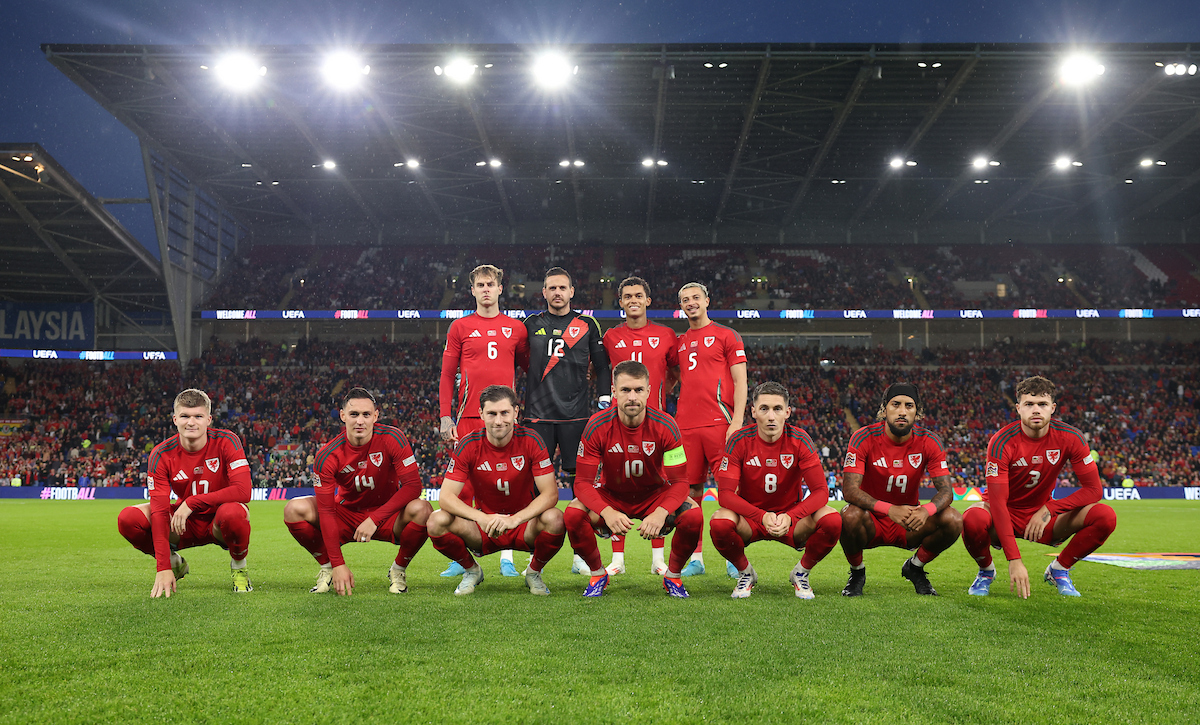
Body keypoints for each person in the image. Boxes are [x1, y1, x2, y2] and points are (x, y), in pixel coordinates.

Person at [962, 375, 1115, 598]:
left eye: (1042, 404)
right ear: (1018, 408)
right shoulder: (1001, 441)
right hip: (1002, 514)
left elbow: (1094, 490)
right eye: (1029, 404)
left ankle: (1059, 569)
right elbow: (997, 502)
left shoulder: (1071, 437)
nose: (1036, 410)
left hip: (1041, 517)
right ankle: (986, 571)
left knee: (1105, 516)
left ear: (1053, 408)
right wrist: (1014, 559)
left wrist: (1050, 509)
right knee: (972, 518)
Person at [563, 360, 702, 598]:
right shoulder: (596, 426)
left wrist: (661, 512)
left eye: (638, 390)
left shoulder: (667, 426)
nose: (632, 397)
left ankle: (673, 577)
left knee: (693, 515)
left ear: (648, 391)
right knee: (573, 514)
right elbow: (582, 483)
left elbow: (680, 483)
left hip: (654, 496)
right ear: (614, 392)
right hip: (612, 496)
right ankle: (598, 574)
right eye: (625, 390)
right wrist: (607, 512)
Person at [283, 387, 431, 596]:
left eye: (366, 414)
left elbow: (413, 486)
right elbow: (326, 511)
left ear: (375, 416)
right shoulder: (327, 455)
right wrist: (338, 563)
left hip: (387, 516)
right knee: (293, 509)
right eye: (354, 414)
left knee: (423, 509)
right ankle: (328, 567)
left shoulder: (393, 437)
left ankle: (398, 570)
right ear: (343, 416)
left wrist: (375, 519)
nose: (360, 421)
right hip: (346, 515)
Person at [427, 385, 565, 596]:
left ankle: (534, 572)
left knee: (555, 518)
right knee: (436, 521)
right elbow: (445, 497)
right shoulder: (469, 444)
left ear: (516, 412)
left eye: (504, 413)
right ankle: (472, 570)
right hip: (484, 527)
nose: (498, 421)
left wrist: (515, 519)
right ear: (481, 414)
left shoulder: (532, 440)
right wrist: (481, 518)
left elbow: (550, 494)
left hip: (523, 525)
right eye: (491, 414)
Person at [711, 382, 842, 599]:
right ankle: (745, 573)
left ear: (787, 412)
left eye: (777, 409)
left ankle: (801, 573)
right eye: (764, 409)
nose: (771, 416)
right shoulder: (739, 440)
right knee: (719, 522)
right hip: (751, 520)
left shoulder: (800, 440)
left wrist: (791, 517)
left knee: (832, 519)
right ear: (753, 412)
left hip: (791, 520)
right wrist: (761, 516)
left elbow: (820, 491)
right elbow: (725, 494)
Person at [438, 263, 529, 578]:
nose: (486, 289)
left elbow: (532, 369)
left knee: (508, 486)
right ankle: (462, 558)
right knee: (463, 490)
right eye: (481, 285)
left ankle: (507, 556)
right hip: (468, 417)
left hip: (504, 419)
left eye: (491, 284)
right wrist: (445, 415)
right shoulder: (460, 327)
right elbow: (447, 375)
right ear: (473, 290)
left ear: (500, 289)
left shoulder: (517, 328)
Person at [117, 388, 252, 597]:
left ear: (209, 419)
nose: (191, 422)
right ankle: (174, 563)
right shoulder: (161, 454)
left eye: (198, 416)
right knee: (128, 518)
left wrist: (192, 502)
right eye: (185, 416)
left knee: (233, 513)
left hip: (219, 521)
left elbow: (243, 491)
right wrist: (163, 566)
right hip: (183, 524)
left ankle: (239, 568)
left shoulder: (227, 441)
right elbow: (159, 511)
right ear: (175, 419)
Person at [524, 266, 611, 574]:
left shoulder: (586, 324)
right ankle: (534, 554)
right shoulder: (531, 324)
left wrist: (604, 400)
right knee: (534, 486)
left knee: (580, 486)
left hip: (576, 417)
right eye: (552, 288)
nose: (558, 292)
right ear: (544, 292)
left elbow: (602, 366)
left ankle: (580, 555)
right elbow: (517, 360)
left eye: (563, 287)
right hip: (537, 417)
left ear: (572, 291)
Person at [839, 383, 961, 596]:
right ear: (884, 409)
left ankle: (915, 567)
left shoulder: (929, 441)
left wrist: (926, 511)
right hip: (872, 521)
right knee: (848, 516)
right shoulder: (863, 437)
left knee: (954, 519)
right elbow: (849, 490)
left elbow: (946, 492)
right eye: (896, 404)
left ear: (917, 412)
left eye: (909, 406)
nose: (902, 411)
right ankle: (857, 573)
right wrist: (889, 509)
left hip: (909, 521)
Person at [600, 276, 679, 576]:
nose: (633, 300)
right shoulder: (610, 336)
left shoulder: (666, 334)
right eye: (627, 296)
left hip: (656, 426)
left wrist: (658, 396)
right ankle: (617, 560)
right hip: (618, 425)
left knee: (659, 486)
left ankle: (658, 559)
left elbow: (675, 372)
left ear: (648, 300)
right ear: (620, 302)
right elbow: (599, 371)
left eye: (638, 295)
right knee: (616, 485)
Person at [675, 281, 748, 577]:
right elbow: (671, 376)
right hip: (685, 426)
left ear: (707, 301)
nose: (691, 302)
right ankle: (696, 558)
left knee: (728, 491)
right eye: (685, 299)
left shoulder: (727, 335)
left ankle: (733, 558)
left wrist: (738, 421)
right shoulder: (679, 342)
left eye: (696, 297)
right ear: (681, 306)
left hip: (720, 423)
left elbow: (741, 380)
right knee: (690, 492)